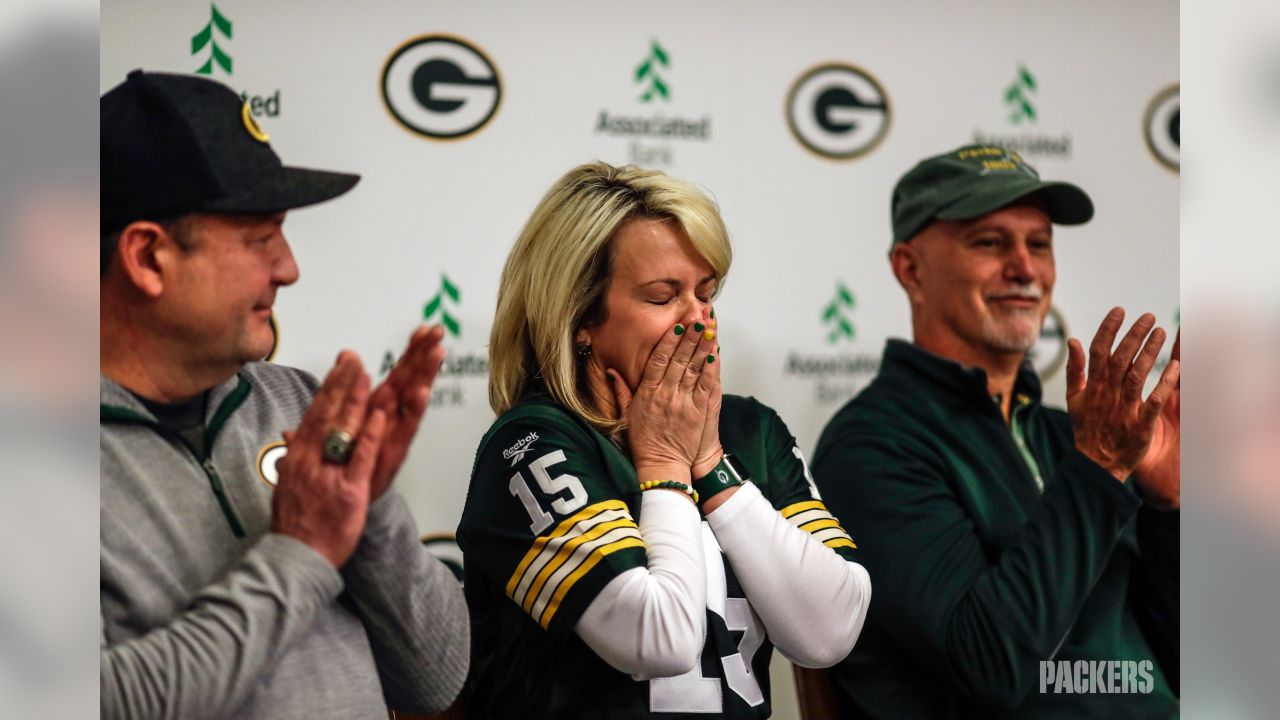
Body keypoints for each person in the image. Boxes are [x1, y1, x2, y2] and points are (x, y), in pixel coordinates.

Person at [99, 70, 469, 719]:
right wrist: (302, 552)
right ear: (148, 257)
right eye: (260, 238)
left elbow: (437, 678)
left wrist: (372, 513)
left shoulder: (300, 403)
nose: (289, 268)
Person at [457, 162, 871, 719]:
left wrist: (711, 464)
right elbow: (660, 641)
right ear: (578, 314)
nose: (698, 322)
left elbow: (829, 634)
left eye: (706, 294)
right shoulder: (533, 440)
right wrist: (666, 467)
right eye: (662, 297)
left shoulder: (750, 428)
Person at [812, 144, 1180, 718]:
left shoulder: (1070, 438)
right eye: (988, 242)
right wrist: (1100, 470)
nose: (1025, 268)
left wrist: (1168, 510)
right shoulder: (871, 447)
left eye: (1039, 244)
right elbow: (988, 665)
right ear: (910, 268)